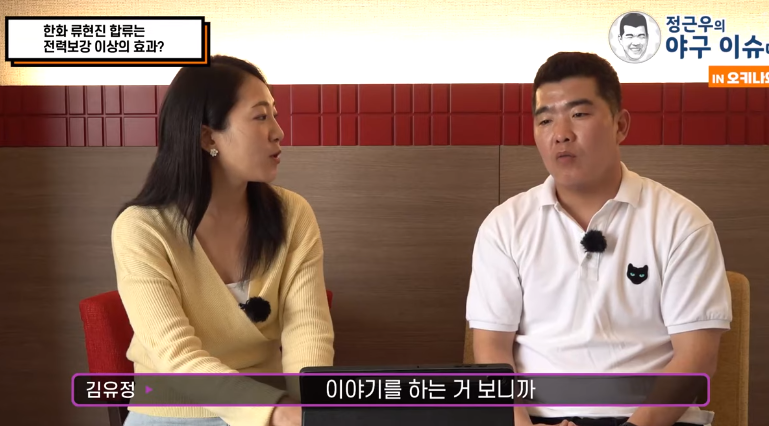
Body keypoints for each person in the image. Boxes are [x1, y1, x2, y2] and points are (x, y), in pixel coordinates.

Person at [466, 52, 732, 426]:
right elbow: (492, 348)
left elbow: (697, 358)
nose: (561, 133)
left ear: (620, 125)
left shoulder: (681, 222)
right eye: (545, 119)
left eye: (579, 114)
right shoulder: (504, 225)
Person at [111, 55, 334, 426]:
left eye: (275, 115)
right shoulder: (141, 229)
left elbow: (307, 330)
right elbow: (176, 357)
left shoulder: (292, 214)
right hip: (174, 412)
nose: (278, 132)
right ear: (207, 137)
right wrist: (274, 411)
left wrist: (307, 410)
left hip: (277, 409)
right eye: (260, 117)